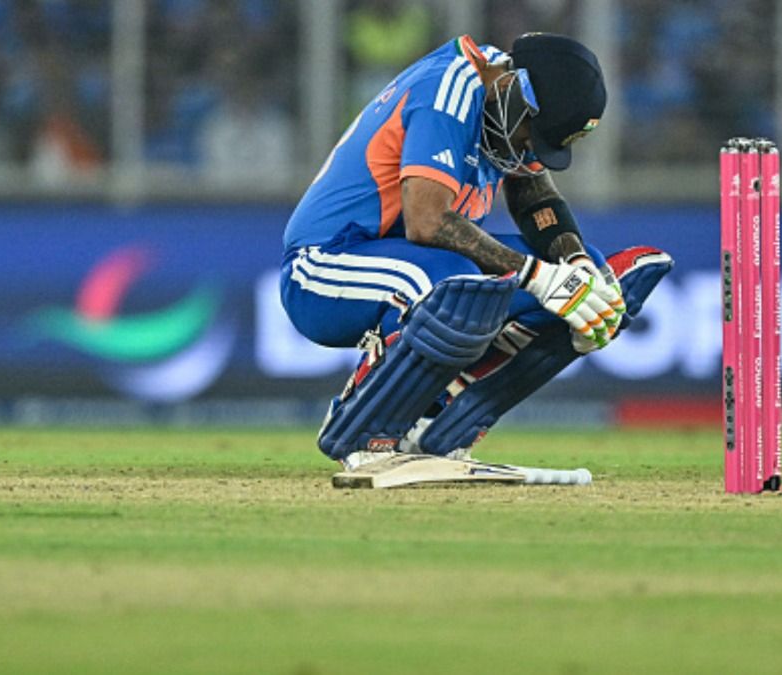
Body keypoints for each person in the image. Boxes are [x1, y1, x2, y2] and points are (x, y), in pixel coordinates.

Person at [280, 33, 672, 469]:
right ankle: (362, 426)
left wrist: (578, 269)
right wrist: (540, 278)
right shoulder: (446, 91)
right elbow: (427, 221)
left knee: (579, 275)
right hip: (323, 268)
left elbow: (536, 200)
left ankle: (436, 420)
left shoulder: (507, 103)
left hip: (423, 266)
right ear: (515, 89)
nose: (528, 149)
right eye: (532, 135)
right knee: (453, 280)